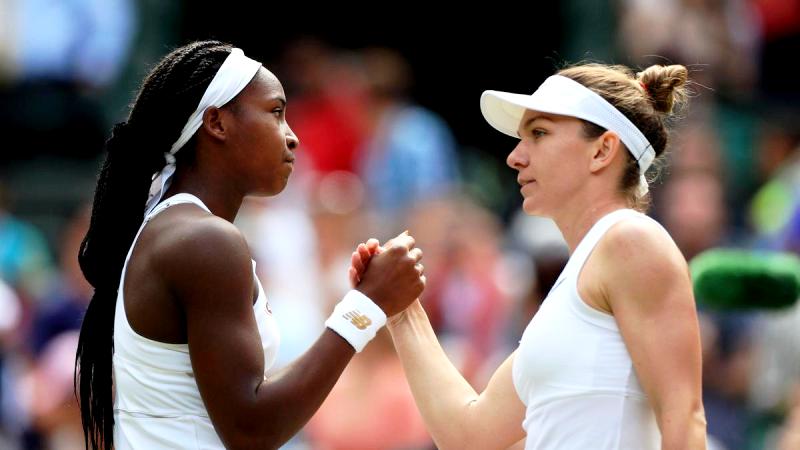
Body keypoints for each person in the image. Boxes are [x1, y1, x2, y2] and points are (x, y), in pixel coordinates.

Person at [74, 40, 425, 450]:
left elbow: (246, 399)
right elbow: (251, 431)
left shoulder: (182, 230)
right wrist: (366, 308)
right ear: (217, 123)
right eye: (276, 113)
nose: (292, 138)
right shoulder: (206, 241)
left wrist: (362, 303)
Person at [353, 63, 707, 449]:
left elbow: (685, 420)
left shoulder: (631, 240)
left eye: (539, 133)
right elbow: (469, 436)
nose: (515, 157)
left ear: (603, 150)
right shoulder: (581, 277)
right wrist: (402, 311)